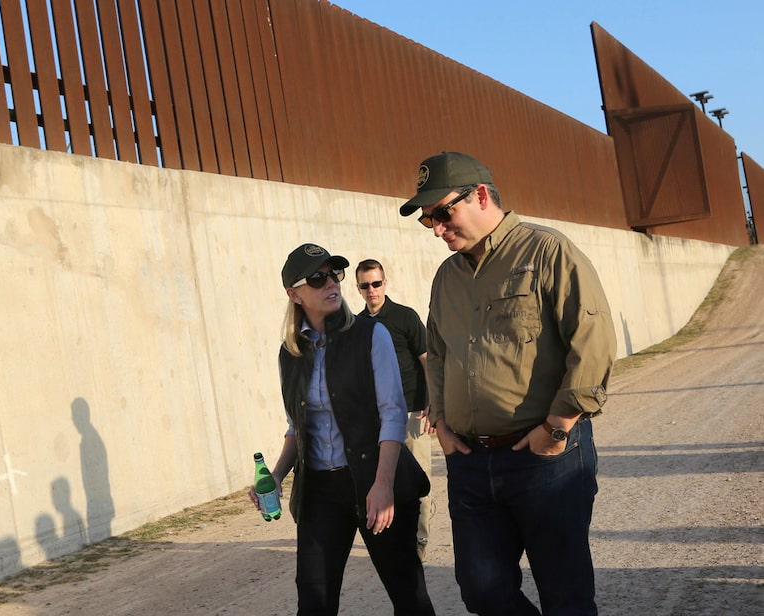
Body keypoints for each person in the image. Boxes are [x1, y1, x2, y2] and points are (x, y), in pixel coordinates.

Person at [399, 152, 617, 615]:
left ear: (480, 195)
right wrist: (440, 419)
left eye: (443, 213)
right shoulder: (446, 277)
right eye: (427, 221)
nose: (437, 229)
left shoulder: (547, 251)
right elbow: (436, 354)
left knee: (566, 595)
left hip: (545, 459)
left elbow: (593, 341)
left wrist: (557, 427)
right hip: (471, 464)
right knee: (482, 591)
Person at [250, 243, 435, 616]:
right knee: (314, 601)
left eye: (334, 273)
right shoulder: (291, 353)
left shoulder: (370, 335)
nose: (331, 283)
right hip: (320, 491)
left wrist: (383, 485)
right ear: (294, 293)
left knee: (408, 595)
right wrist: (275, 474)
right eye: (317, 278)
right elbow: (297, 427)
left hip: (374, 479)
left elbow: (393, 414)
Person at [355, 258, 435, 561]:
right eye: (365, 285)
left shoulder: (405, 317)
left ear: (385, 283)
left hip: (413, 412)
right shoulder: (358, 326)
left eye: (376, 283)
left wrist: (434, 400)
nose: (371, 289)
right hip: (377, 419)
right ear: (359, 289)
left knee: (418, 480)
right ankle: (395, 536)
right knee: (383, 479)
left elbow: (427, 358)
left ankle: (419, 540)